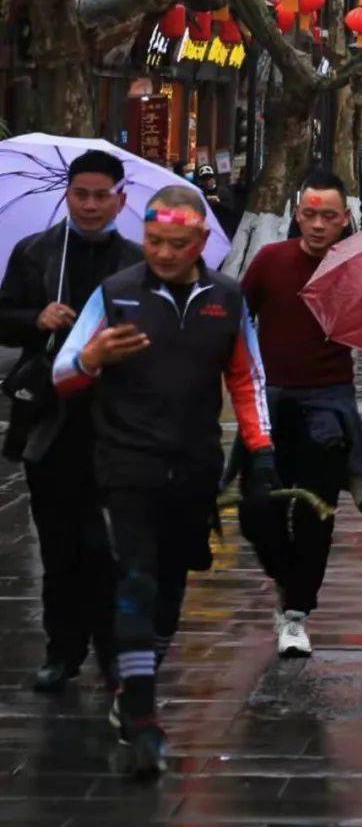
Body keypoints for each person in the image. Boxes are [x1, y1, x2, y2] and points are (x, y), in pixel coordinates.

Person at [53, 184, 276, 779]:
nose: (164, 253)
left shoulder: (226, 299)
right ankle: (144, 714)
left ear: (201, 241)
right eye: (153, 241)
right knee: (137, 580)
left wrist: (261, 450)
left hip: (195, 465)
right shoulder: (116, 294)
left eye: (177, 243)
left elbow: (247, 377)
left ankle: (130, 685)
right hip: (126, 464)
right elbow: (62, 374)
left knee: (171, 592)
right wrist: (92, 357)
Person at [0, 149, 142, 694]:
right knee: (58, 544)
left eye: (100, 195)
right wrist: (36, 318)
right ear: (67, 195)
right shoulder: (37, 254)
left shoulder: (137, 262)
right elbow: (4, 319)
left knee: (106, 545)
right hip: (52, 423)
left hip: (117, 425)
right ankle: (63, 650)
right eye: (80, 194)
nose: (89, 205)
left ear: (120, 200)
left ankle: (113, 653)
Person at [240, 169, 362, 658]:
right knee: (258, 512)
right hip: (269, 404)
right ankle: (287, 580)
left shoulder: (354, 269)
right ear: (297, 215)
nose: (318, 225)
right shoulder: (271, 261)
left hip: (327, 409)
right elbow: (237, 318)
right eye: (309, 214)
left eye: (329, 216)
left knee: (316, 516)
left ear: (345, 220)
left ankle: (296, 613)